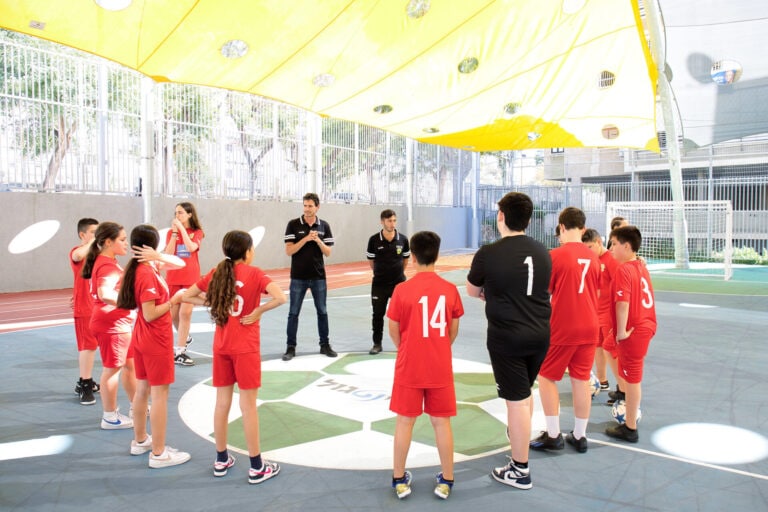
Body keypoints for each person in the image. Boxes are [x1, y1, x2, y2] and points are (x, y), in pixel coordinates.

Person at [183, 230, 287, 483]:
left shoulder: (217, 273)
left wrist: (215, 301)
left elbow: (187, 295)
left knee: (221, 404)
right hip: (246, 347)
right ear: (248, 251)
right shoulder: (255, 274)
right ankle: (257, 466)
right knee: (248, 406)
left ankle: (221, 459)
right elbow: (281, 297)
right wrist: (259, 310)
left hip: (222, 347)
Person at [466, 192, 551, 490]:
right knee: (524, 393)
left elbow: (471, 290)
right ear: (528, 219)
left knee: (515, 401)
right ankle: (519, 440)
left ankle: (519, 469)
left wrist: (495, 294)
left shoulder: (488, 253)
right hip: (540, 334)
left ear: (501, 216)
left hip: (507, 338)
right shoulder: (542, 251)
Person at [387, 231, 464, 500]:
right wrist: (438, 347)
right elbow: (452, 331)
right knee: (442, 423)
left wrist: (407, 347)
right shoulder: (450, 290)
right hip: (439, 364)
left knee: (404, 422)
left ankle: (399, 479)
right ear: (437, 254)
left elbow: (393, 329)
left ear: (413, 256)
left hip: (410, 364)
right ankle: (447, 480)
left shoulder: (401, 290)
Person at [116, 225, 191, 468]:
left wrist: (157, 256)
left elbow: (180, 264)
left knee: (143, 390)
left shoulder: (146, 267)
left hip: (144, 337)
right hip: (154, 339)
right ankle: (159, 453)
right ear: (152, 245)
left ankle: (140, 441)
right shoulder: (146, 274)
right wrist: (173, 301)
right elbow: (150, 314)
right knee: (158, 395)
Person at [531, 207, 600, 454]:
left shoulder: (555, 255)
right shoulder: (594, 257)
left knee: (547, 377)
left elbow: (545, 292)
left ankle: (553, 434)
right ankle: (580, 436)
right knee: (581, 380)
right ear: (583, 229)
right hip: (590, 325)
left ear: (561, 227)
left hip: (564, 325)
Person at [81, 222, 137, 430]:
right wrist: (131, 302)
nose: (126, 243)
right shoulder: (106, 265)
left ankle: (135, 405)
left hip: (119, 323)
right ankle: (110, 416)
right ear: (107, 242)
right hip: (112, 325)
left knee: (130, 366)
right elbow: (105, 293)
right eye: (122, 239)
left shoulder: (107, 261)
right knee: (112, 370)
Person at [605, 225, 657, 443]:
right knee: (608, 345)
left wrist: (623, 331)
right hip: (645, 324)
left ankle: (630, 427)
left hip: (634, 330)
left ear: (627, 246)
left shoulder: (624, 270)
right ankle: (624, 394)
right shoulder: (639, 266)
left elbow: (622, 303)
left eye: (615, 244)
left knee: (633, 379)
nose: (611, 248)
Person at [282, 192, 336, 361]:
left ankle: (324, 345)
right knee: (293, 313)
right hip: (298, 277)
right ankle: (290, 347)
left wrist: (318, 240)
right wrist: (305, 239)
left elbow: (328, 252)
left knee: (323, 311)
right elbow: (289, 250)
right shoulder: (292, 224)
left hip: (319, 277)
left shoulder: (324, 226)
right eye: (305, 205)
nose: (306, 209)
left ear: (317, 207)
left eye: (310, 206)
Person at [163, 202, 204, 367]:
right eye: (175, 213)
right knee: (173, 315)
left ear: (189, 215)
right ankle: (184, 336)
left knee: (185, 314)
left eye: (180, 213)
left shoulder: (197, 232)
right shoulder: (170, 233)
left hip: (190, 279)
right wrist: (174, 233)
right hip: (173, 278)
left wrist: (181, 229)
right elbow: (168, 254)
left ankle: (180, 351)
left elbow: (191, 247)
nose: (177, 216)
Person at [366, 209, 410, 355]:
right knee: (377, 314)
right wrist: (380, 273)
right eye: (389, 221)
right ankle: (377, 344)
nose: (392, 223)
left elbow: (405, 260)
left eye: (394, 220)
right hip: (379, 285)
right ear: (382, 221)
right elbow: (371, 262)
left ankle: (404, 344)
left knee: (402, 316)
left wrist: (398, 274)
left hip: (399, 285)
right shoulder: (373, 240)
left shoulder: (403, 239)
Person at [582, 228, 620, 392]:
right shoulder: (591, 260)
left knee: (610, 350)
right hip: (594, 312)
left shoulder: (611, 259)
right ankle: (602, 380)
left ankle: (623, 387)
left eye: (590, 247)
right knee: (597, 347)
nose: (588, 251)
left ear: (599, 242)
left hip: (609, 313)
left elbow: (619, 285)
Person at [70, 217, 100, 405]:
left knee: (95, 346)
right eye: (93, 233)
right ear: (83, 235)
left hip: (98, 306)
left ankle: (86, 379)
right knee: (87, 347)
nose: (97, 236)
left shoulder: (98, 255)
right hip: (85, 308)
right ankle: (85, 383)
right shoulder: (77, 251)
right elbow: (78, 256)